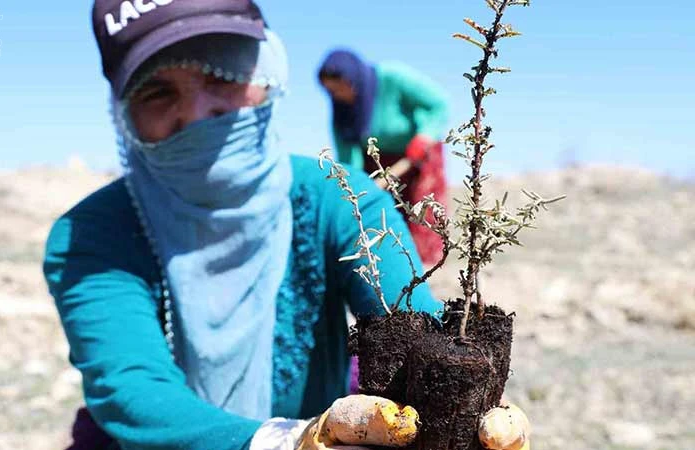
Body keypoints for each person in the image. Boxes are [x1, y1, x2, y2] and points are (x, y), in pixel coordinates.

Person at [44, 1, 530, 449]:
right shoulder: (91, 235)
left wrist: (464, 407)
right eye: (156, 90)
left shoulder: (338, 197)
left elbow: (408, 323)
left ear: (268, 73)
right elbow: (132, 391)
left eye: (222, 72)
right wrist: (284, 441)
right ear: (123, 113)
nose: (197, 113)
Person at [317, 49, 449, 265]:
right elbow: (349, 159)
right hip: (378, 165)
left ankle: (426, 272)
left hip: (417, 155)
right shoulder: (342, 113)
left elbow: (438, 104)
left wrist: (424, 137)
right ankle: (391, 268)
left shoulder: (392, 78)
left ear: (353, 78)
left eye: (340, 86)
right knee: (382, 220)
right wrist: (357, 187)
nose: (338, 94)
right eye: (331, 91)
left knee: (421, 217)